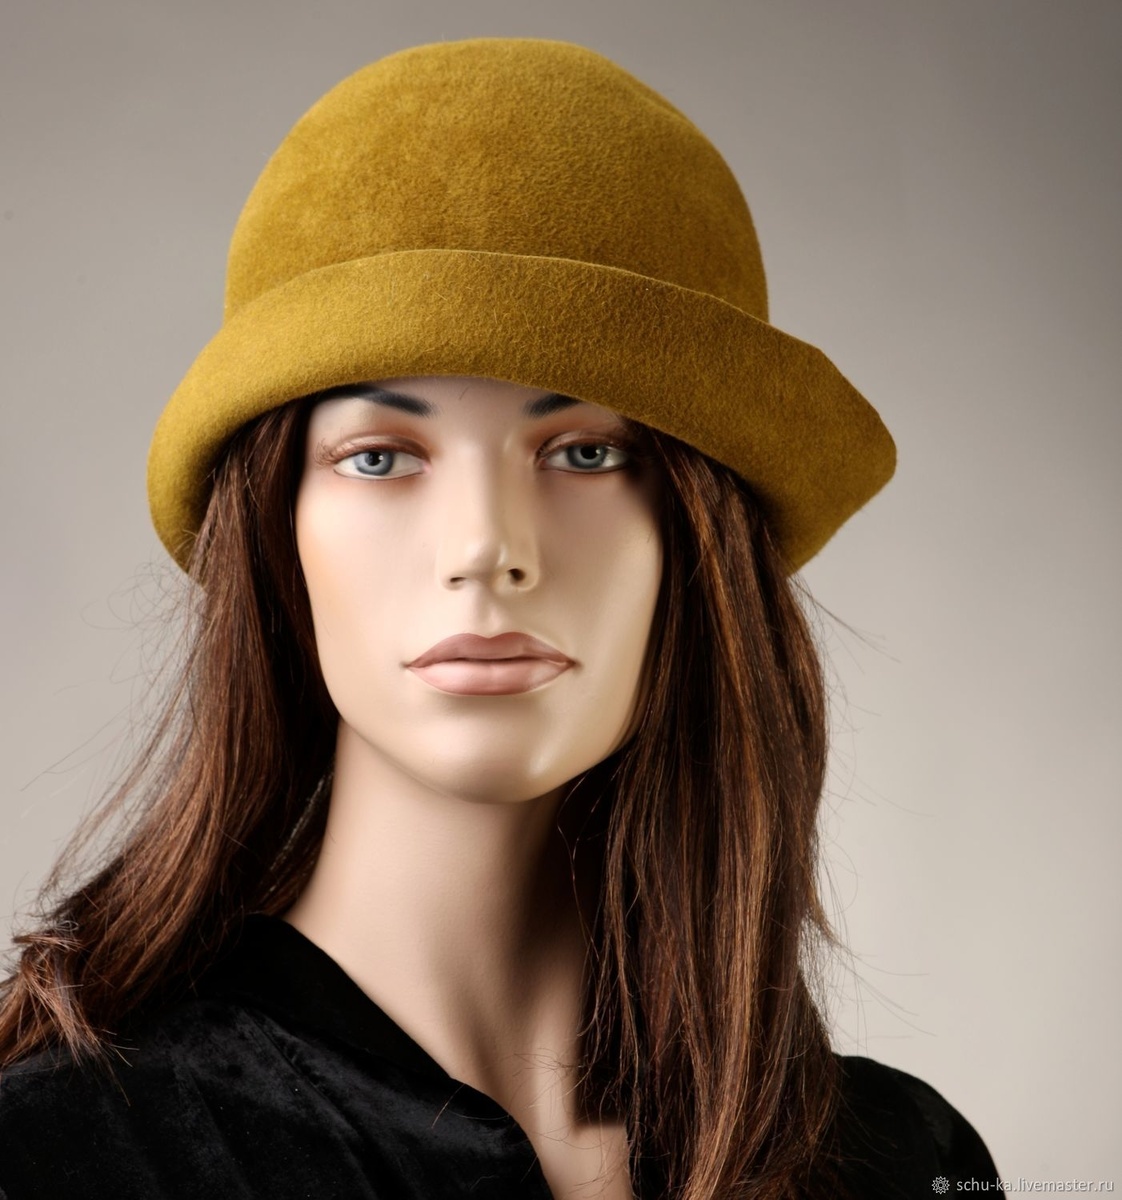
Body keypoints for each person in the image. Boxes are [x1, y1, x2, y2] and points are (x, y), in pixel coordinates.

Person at [0, 38, 998, 1199]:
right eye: (381, 457)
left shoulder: (900, 1162)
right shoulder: (66, 1158)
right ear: (277, 537)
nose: (485, 546)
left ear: (697, 540)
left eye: (584, 452)